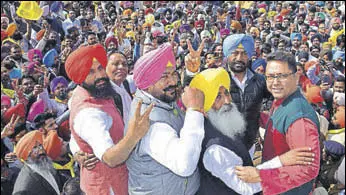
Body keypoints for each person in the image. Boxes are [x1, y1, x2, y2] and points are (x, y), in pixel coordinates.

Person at [189, 68, 315, 195]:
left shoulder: (223, 125)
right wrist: (282, 161)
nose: (227, 101)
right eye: (218, 97)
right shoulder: (215, 149)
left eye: (226, 93)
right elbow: (245, 186)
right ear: (204, 107)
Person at [65, 44, 153, 195]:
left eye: (100, 68)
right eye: (91, 72)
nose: (99, 75)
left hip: (126, 173)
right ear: (80, 77)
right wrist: (135, 134)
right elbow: (110, 158)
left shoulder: (108, 87)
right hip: (107, 186)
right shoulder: (89, 112)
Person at [235, 51, 321, 194]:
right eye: (270, 77)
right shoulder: (283, 100)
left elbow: (308, 168)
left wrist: (260, 175)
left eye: (281, 76)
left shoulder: (299, 117)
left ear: (296, 77)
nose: (275, 82)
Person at [126, 43, 205, 195]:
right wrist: (195, 111)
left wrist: (191, 73)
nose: (173, 81)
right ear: (147, 85)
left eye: (174, 74)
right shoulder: (150, 121)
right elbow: (185, 164)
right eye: (164, 77)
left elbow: (181, 97)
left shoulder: (160, 99)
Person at [223, 34, 272, 151]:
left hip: (249, 144)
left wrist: (267, 110)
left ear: (249, 56)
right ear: (227, 55)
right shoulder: (218, 79)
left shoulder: (259, 80)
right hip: (223, 144)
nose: (239, 58)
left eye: (244, 53)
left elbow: (274, 96)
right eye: (235, 53)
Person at [12, 130, 62, 195]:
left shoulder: (45, 164)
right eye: (35, 148)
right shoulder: (23, 188)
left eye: (40, 146)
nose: (41, 151)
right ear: (26, 155)